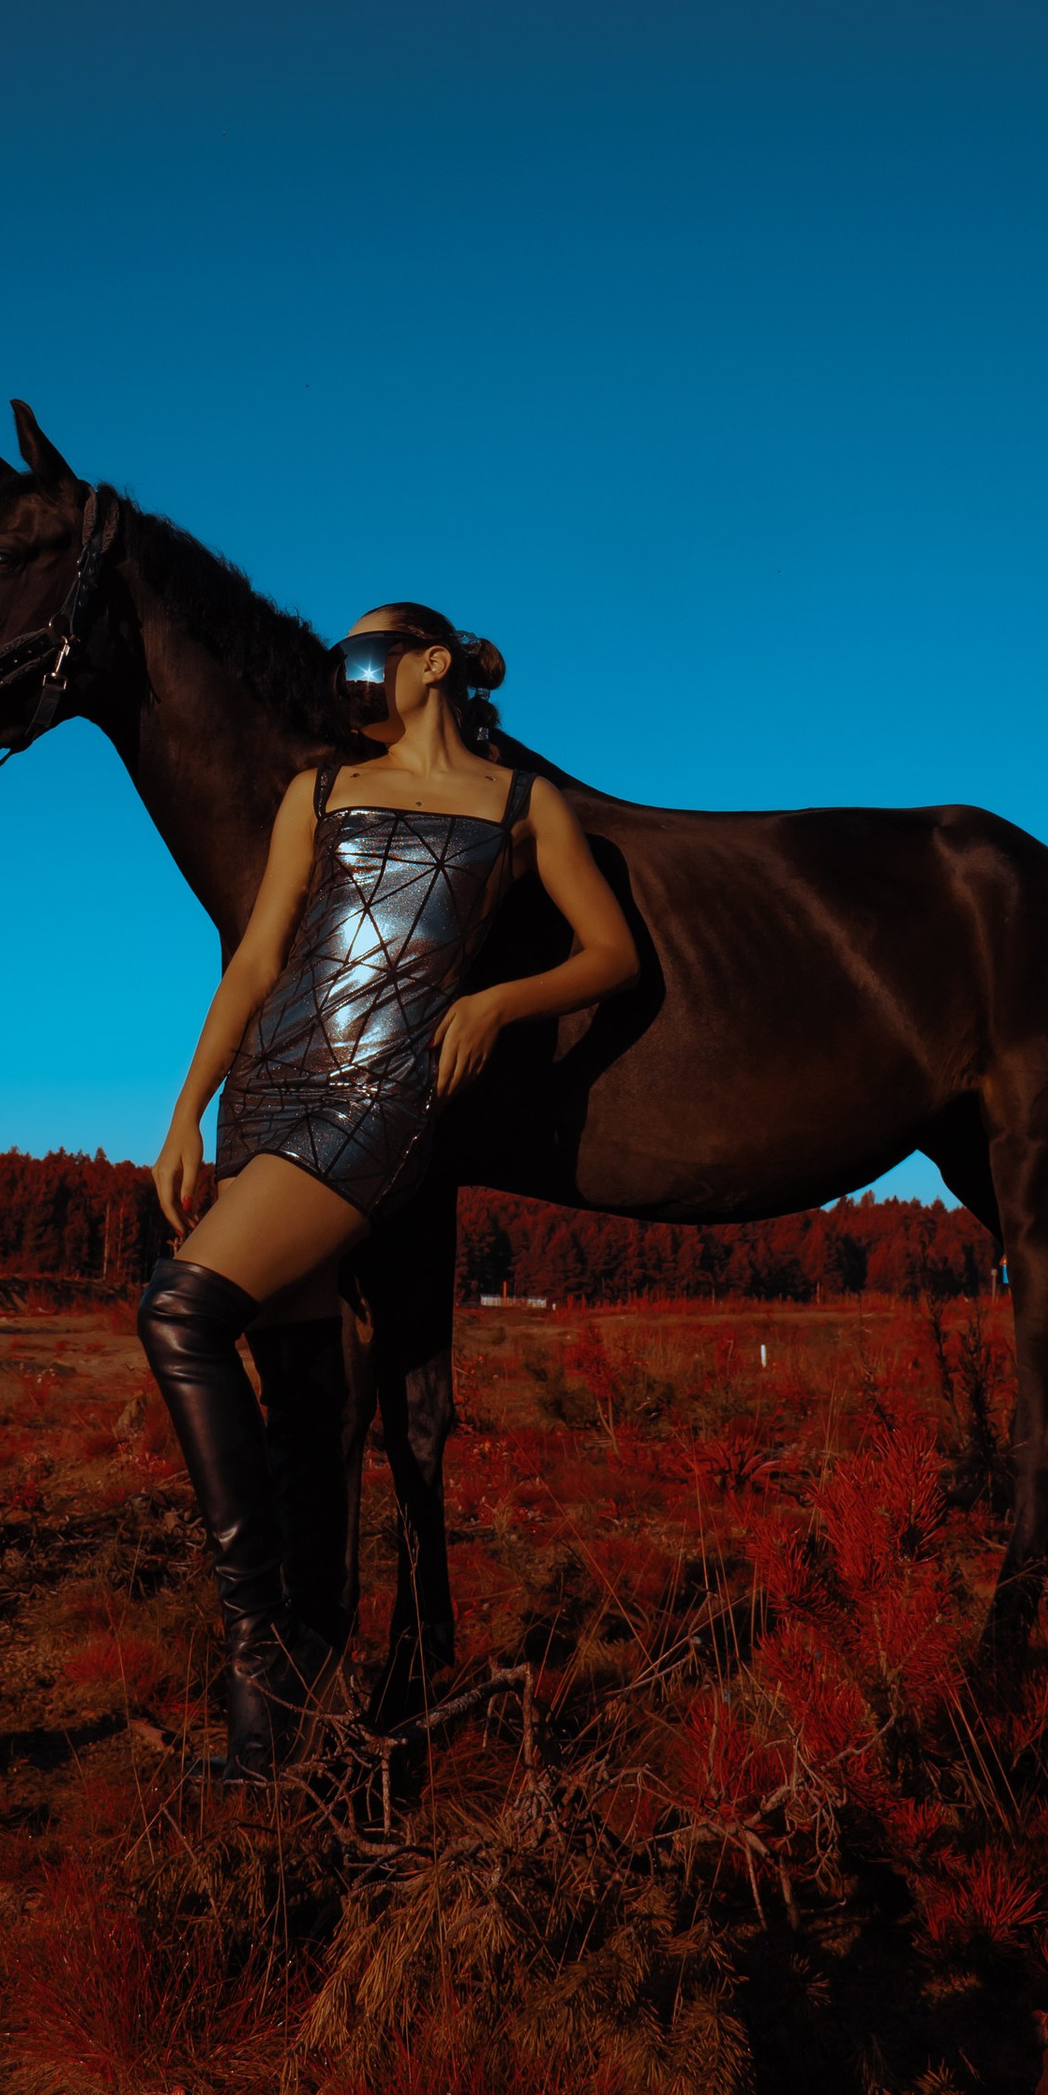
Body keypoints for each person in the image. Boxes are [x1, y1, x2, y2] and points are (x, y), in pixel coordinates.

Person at [140, 605, 639, 1778]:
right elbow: (260, 957)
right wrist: (187, 1106)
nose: (346, 671)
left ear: (430, 664)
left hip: (380, 1104)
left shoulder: (524, 807)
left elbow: (612, 952)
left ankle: (259, 1655)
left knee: (180, 1312)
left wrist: (494, 1004)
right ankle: (287, 1736)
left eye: (366, 651)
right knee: (307, 1411)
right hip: (268, 1088)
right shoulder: (319, 790)